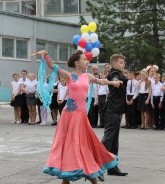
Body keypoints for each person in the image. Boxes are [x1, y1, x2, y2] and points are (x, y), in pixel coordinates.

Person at [34, 50, 121, 184]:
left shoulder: (88, 76)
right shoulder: (68, 75)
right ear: (77, 63)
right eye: (84, 59)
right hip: (69, 116)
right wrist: (45, 54)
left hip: (81, 116)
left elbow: (101, 81)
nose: (87, 61)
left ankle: (88, 171)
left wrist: (113, 83)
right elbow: (52, 66)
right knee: (68, 145)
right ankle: (69, 174)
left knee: (85, 145)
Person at [101, 54, 128, 176]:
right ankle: (97, 166)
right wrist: (116, 82)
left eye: (124, 62)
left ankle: (112, 167)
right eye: (121, 62)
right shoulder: (114, 74)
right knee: (108, 138)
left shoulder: (119, 73)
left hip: (117, 109)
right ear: (114, 64)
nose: (124, 64)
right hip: (112, 110)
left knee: (114, 140)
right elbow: (115, 80)